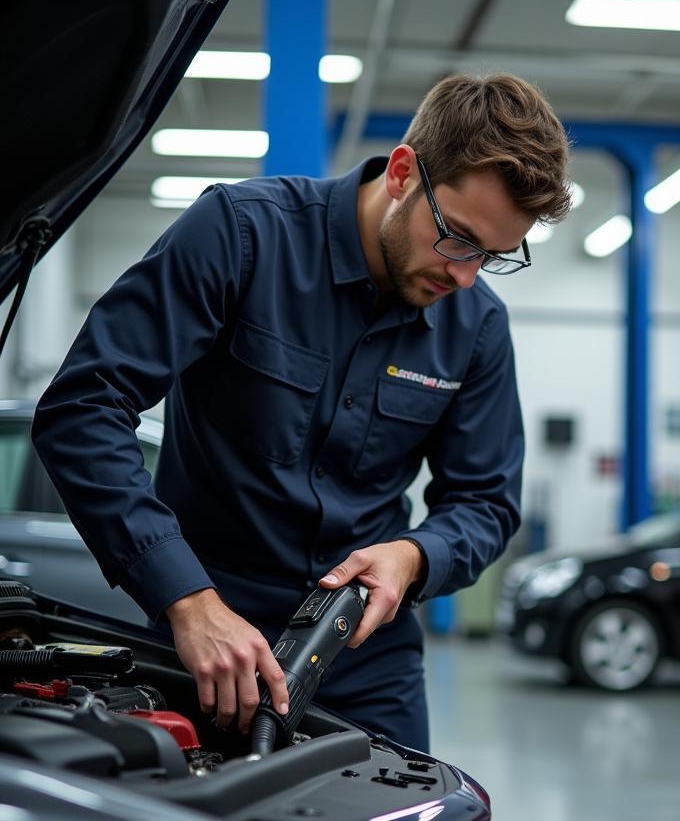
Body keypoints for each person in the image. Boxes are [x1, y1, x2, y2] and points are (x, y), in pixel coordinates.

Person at [32, 72, 572, 753]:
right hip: (208, 641)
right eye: (458, 239)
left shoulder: (478, 327)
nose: (464, 276)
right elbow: (85, 407)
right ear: (404, 172)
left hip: (366, 659)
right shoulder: (240, 236)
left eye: (492, 257)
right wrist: (186, 600)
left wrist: (413, 555)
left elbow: (487, 500)